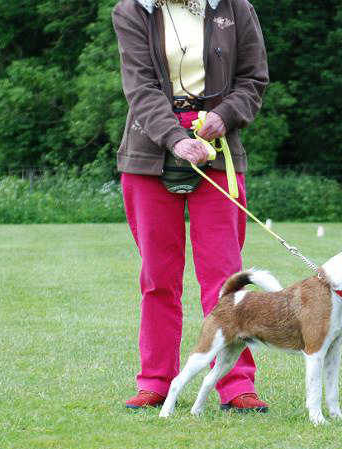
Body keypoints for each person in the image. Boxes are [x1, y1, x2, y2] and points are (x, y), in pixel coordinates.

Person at [112, 0, 270, 411]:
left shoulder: (236, 8)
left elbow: (253, 79)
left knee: (225, 278)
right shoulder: (131, 11)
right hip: (149, 154)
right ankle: (156, 382)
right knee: (158, 278)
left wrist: (226, 115)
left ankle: (236, 384)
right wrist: (175, 138)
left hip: (218, 150)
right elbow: (140, 86)